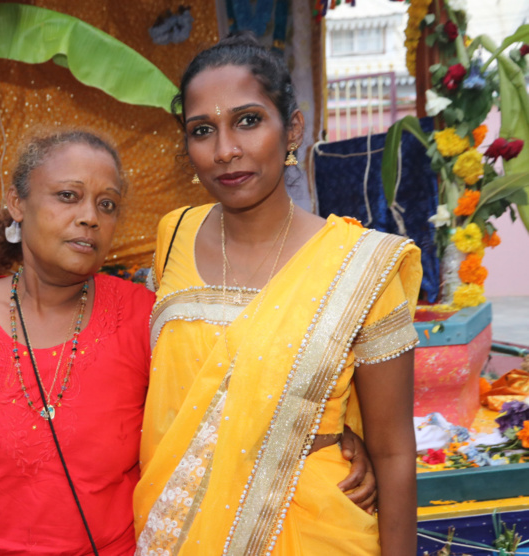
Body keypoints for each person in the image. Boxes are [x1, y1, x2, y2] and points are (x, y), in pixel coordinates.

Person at [0, 130, 376, 555]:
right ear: (17, 203)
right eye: (68, 196)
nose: (90, 217)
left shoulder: (145, 319)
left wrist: (331, 438)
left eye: (107, 205)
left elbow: (234, 391)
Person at [133, 34, 421, 555]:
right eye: (202, 131)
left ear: (292, 129)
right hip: (179, 529)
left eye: (248, 121)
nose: (226, 151)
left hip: (315, 530)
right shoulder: (172, 236)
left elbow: (395, 452)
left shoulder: (360, 265)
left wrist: (322, 431)